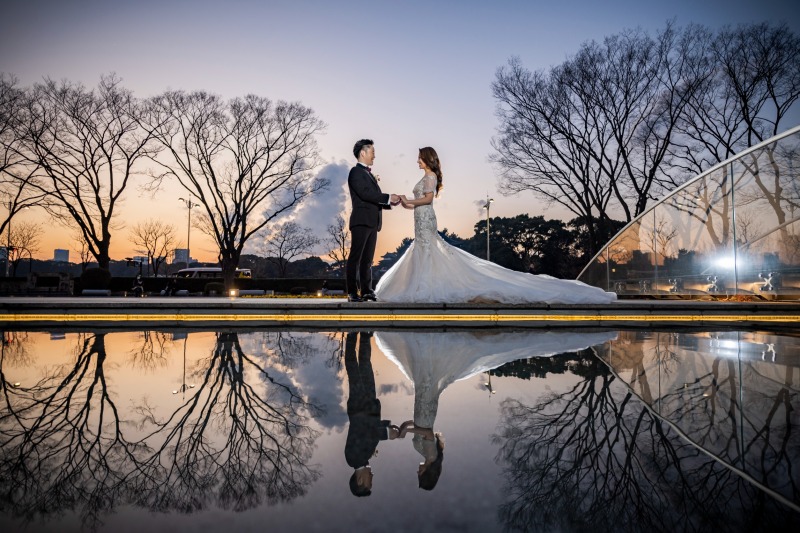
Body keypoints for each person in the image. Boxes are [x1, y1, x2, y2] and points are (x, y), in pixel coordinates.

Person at [374, 329, 617, 492]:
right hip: (426, 412)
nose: (417, 470)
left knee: (423, 379)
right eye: (419, 474)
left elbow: (421, 431)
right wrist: (406, 428)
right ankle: (429, 340)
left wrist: (407, 426)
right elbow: (426, 432)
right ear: (427, 473)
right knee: (427, 378)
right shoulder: (432, 455)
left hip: (422, 409)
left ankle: (425, 342)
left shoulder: (425, 454)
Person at [374, 147, 617, 304]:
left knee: (428, 250)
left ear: (426, 158)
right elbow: (417, 203)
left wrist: (409, 199)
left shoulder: (430, 176)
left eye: (419, 157)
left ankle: (426, 291)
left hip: (426, 218)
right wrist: (402, 201)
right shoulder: (424, 177)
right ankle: (421, 288)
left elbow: (427, 200)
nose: (416, 160)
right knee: (423, 251)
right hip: (420, 217)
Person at [344, 331, 400, 497]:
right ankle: (365, 335)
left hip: (359, 405)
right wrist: (388, 426)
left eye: (370, 482)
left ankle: (353, 333)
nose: (372, 477)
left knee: (353, 366)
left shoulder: (353, 459)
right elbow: (371, 430)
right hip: (369, 405)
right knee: (365, 365)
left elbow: (365, 432)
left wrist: (388, 433)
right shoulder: (363, 458)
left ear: (360, 481)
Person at [346, 139, 400, 302]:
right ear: (363, 152)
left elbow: (373, 198)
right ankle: (352, 293)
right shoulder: (355, 172)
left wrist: (390, 202)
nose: (374, 156)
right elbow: (365, 194)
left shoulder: (368, 174)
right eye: (372, 152)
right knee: (355, 258)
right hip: (361, 221)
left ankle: (367, 291)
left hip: (372, 222)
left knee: (367, 260)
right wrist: (388, 197)